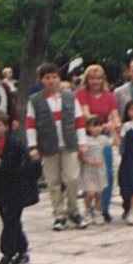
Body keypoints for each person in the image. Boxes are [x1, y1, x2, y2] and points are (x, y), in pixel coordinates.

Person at [25, 62, 88, 231]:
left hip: (69, 144)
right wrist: (33, 146)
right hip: (48, 145)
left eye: (54, 77)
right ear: (42, 80)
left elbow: (79, 121)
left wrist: (82, 143)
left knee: (72, 178)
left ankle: (73, 210)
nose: (52, 80)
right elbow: (31, 125)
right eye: (48, 78)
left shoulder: (70, 97)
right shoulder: (35, 101)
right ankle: (59, 214)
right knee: (53, 181)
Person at [0, 108, 40, 264]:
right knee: (9, 220)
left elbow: (19, 169)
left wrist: (0, 165)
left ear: (6, 127)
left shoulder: (14, 145)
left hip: (17, 188)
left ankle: (7, 253)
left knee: (11, 220)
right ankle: (23, 250)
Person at [75, 64, 119, 222]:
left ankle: (103, 208)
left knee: (107, 173)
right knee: (89, 176)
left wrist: (113, 125)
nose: (95, 82)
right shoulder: (82, 93)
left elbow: (115, 117)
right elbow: (86, 114)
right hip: (88, 136)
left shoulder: (109, 96)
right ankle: (88, 208)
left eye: (99, 78)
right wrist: (99, 125)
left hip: (103, 137)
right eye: (92, 78)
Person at [80, 114, 110, 224]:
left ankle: (98, 212)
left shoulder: (103, 139)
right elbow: (81, 157)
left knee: (98, 193)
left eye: (98, 126)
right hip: (89, 169)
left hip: (100, 170)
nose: (96, 129)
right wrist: (91, 162)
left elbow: (115, 143)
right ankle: (87, 211)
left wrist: (113, 130)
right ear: (88, 128)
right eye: (93, 126)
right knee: (90, 193)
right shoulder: (85, 140)